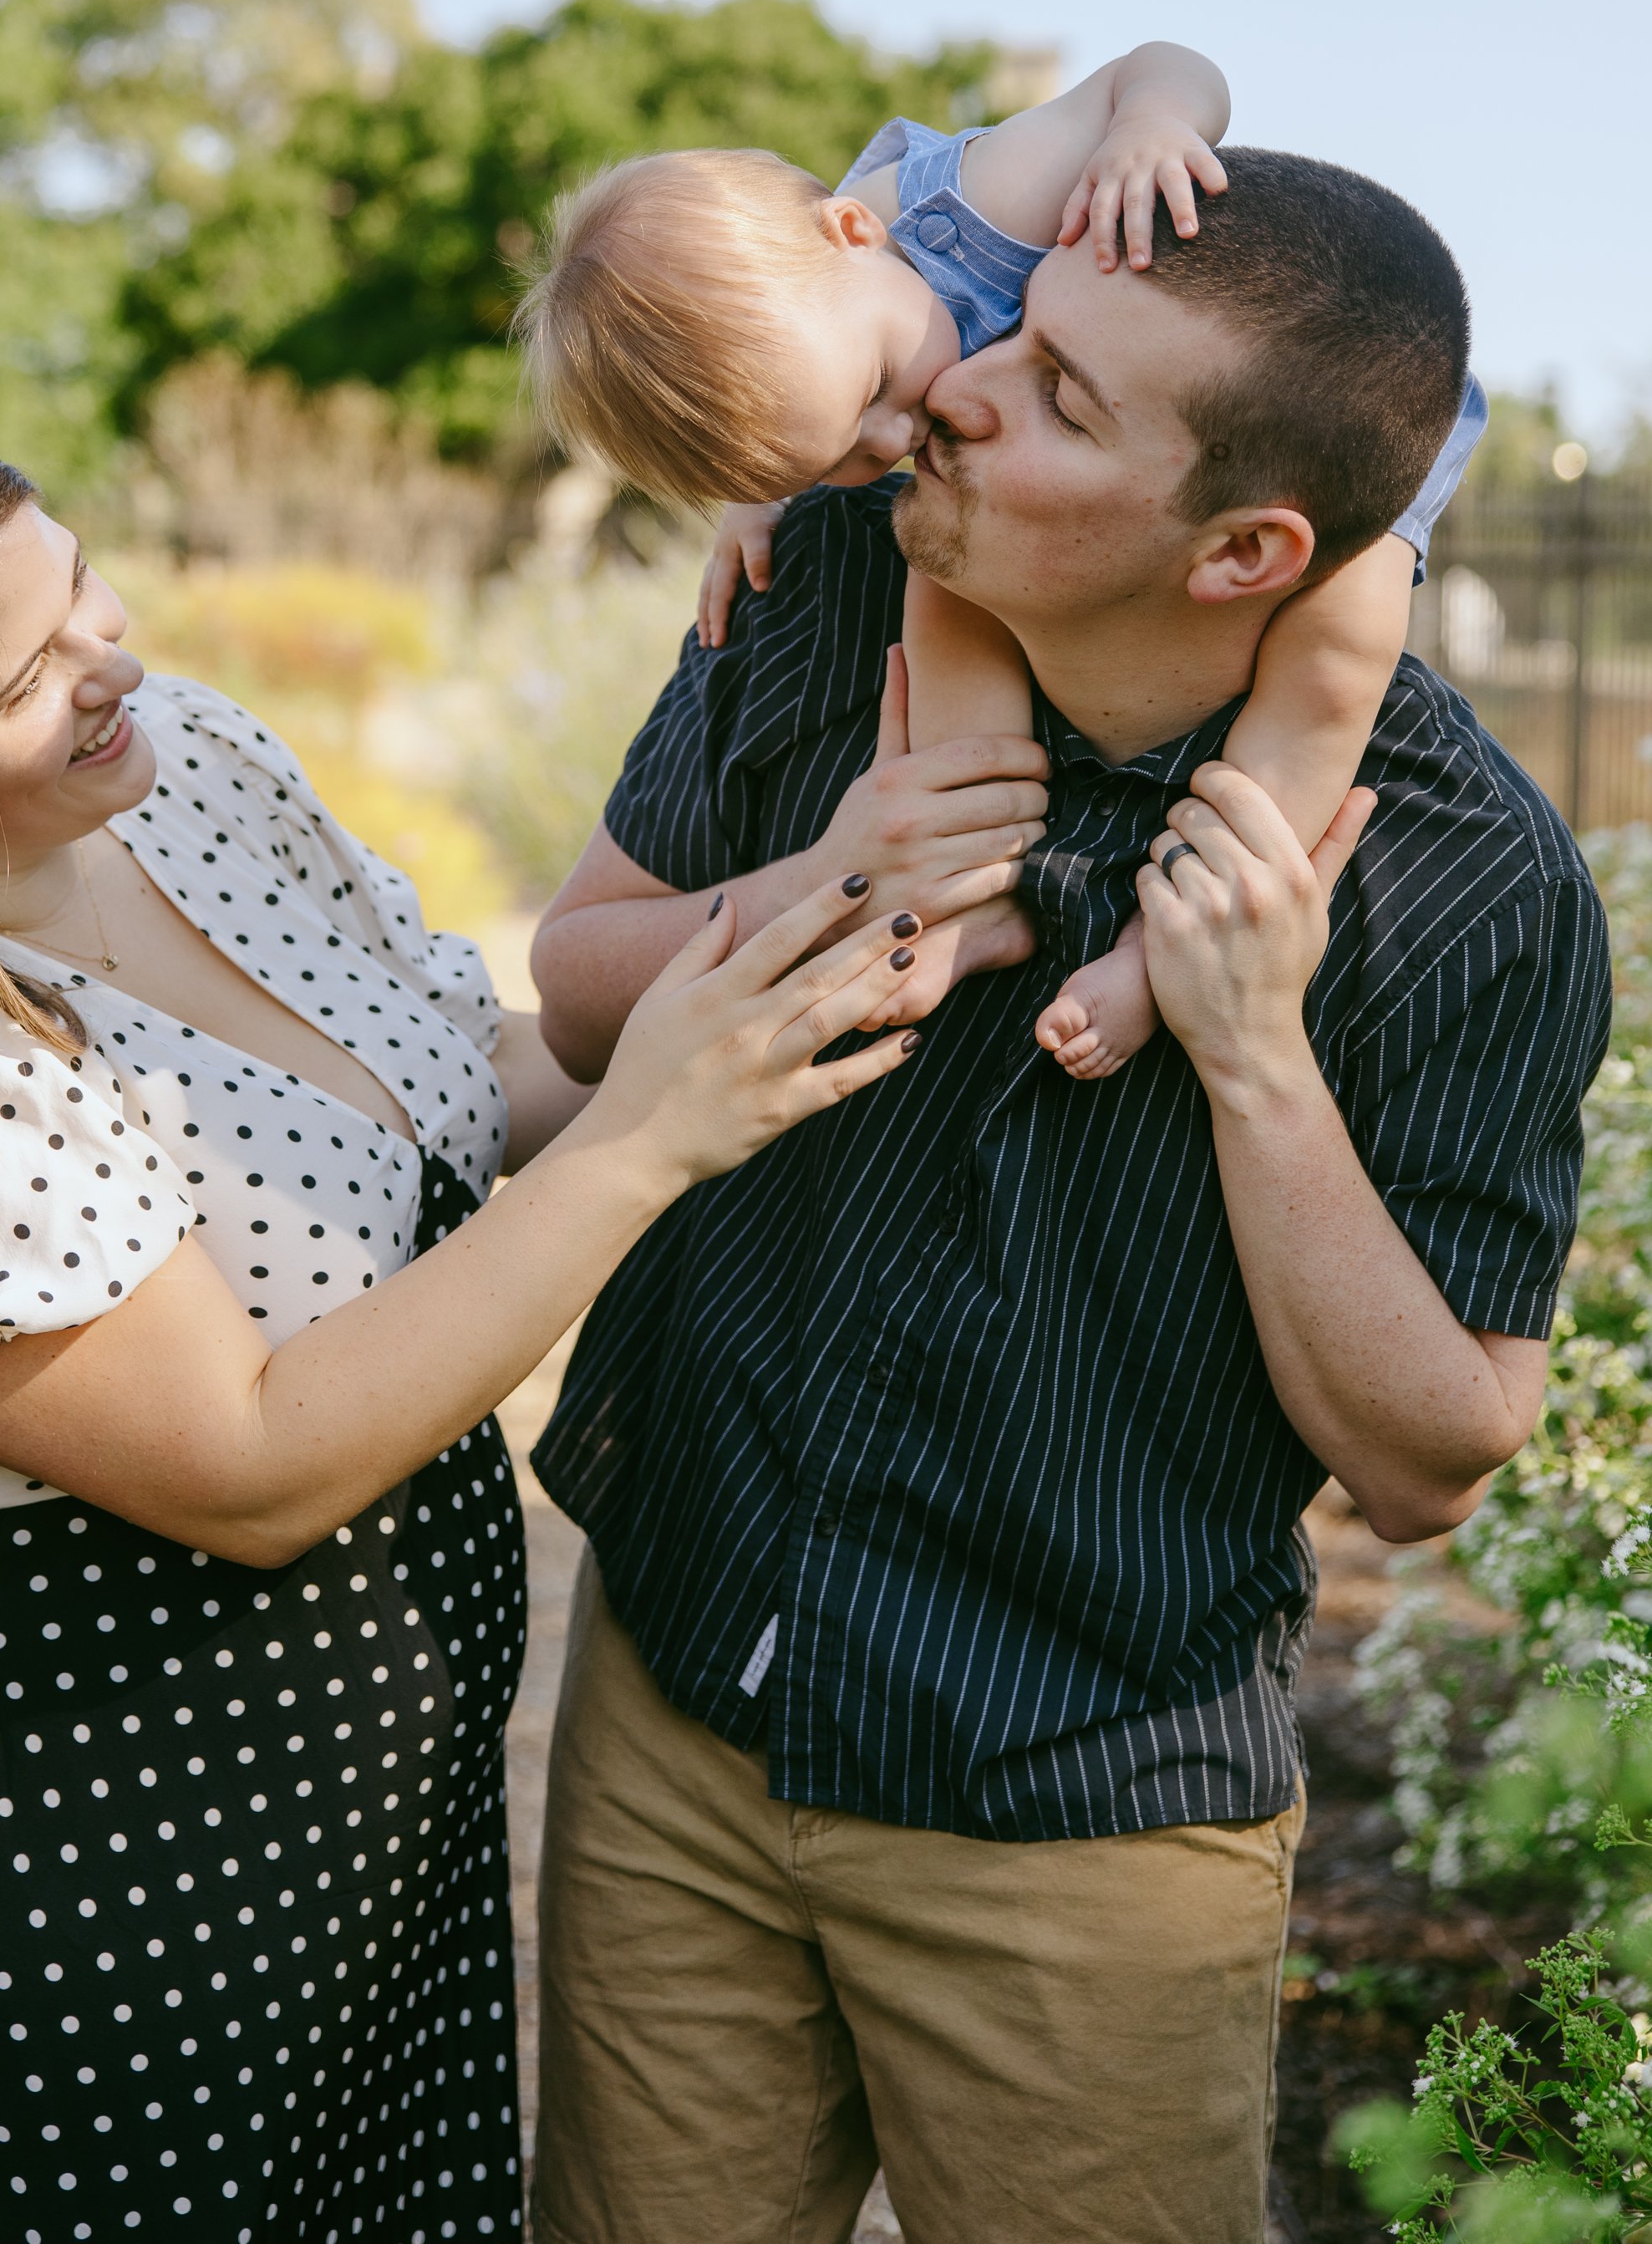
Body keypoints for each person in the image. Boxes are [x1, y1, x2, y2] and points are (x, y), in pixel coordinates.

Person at [0, 413, 933, 2244]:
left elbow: (469, 1083)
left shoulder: (188, 772)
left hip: (372, 1822)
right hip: (99, 1874)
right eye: (25, 679)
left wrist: (827, 901)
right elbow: (250, 1467)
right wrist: (658, 1136)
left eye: (82, 587)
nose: (112, 664)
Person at [523, 150, 1610, 2244]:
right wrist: (842, 879)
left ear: (1245, 551)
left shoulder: (1468, 884)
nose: (962, 383)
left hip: (1072, 1808)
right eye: (1015, 331)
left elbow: (1431, 1461)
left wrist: (1251, 1051)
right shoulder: (824, 585)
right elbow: (576, 990)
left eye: (1061, 398)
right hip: (677, 1701)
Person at [516, 48, 1488, 1076]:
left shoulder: (993, 198)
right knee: (942, 579)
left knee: (1335, 664)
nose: (904, 435)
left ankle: (1172, 951)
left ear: (857, 229)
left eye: (877, 392)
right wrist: (758, 495)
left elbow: (1159, 67)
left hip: (1359, 396)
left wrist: (1150, 128)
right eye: (835, 460)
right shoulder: (831, 418)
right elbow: (571, 1017)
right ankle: (970, 892)